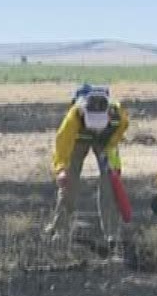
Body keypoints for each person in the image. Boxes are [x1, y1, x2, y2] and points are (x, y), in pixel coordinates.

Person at [44, 83, 131, 236]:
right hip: (77, 141)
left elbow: (121, 129)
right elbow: (62, 143)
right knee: (68, 183)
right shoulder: (74, 116)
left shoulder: (118, 115)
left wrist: (110, 144)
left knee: (109, 184)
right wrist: (61, 169)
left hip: (106, 143)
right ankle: (60, 229)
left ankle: (111, 234)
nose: (94, 128)